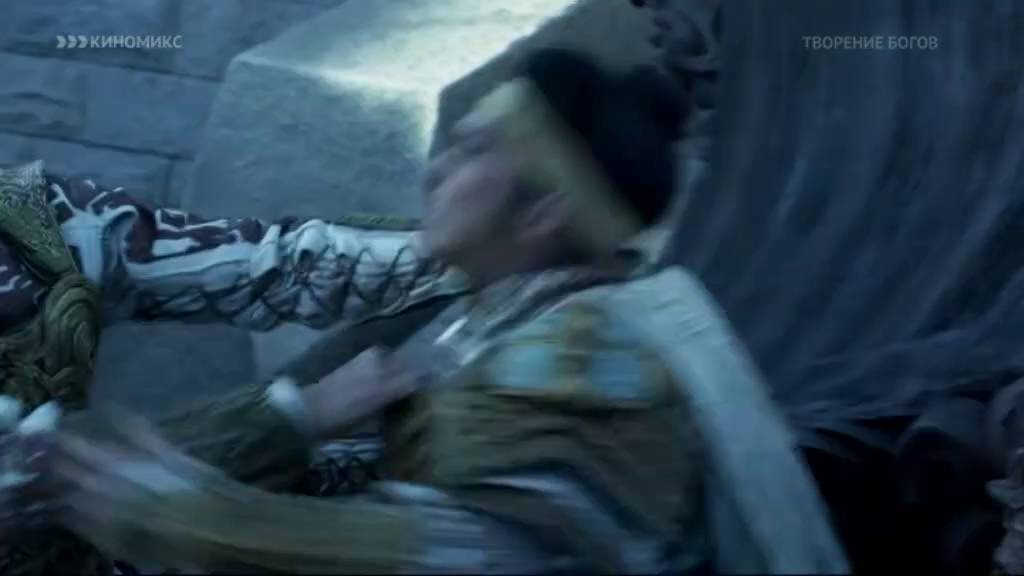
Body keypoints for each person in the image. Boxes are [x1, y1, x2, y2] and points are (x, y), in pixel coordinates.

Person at [1, 48, 849, 574]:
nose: (436, 168)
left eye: (471, 150)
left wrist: (196, 513)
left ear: (545, 212)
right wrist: (268, 434)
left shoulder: (578, 352)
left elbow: (467, 553)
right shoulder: (525, 324)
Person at [0, 124, 461, 574]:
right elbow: (68, 481)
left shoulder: (25, 223)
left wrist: (450, 251)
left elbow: (266, 269)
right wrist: (291, 413)